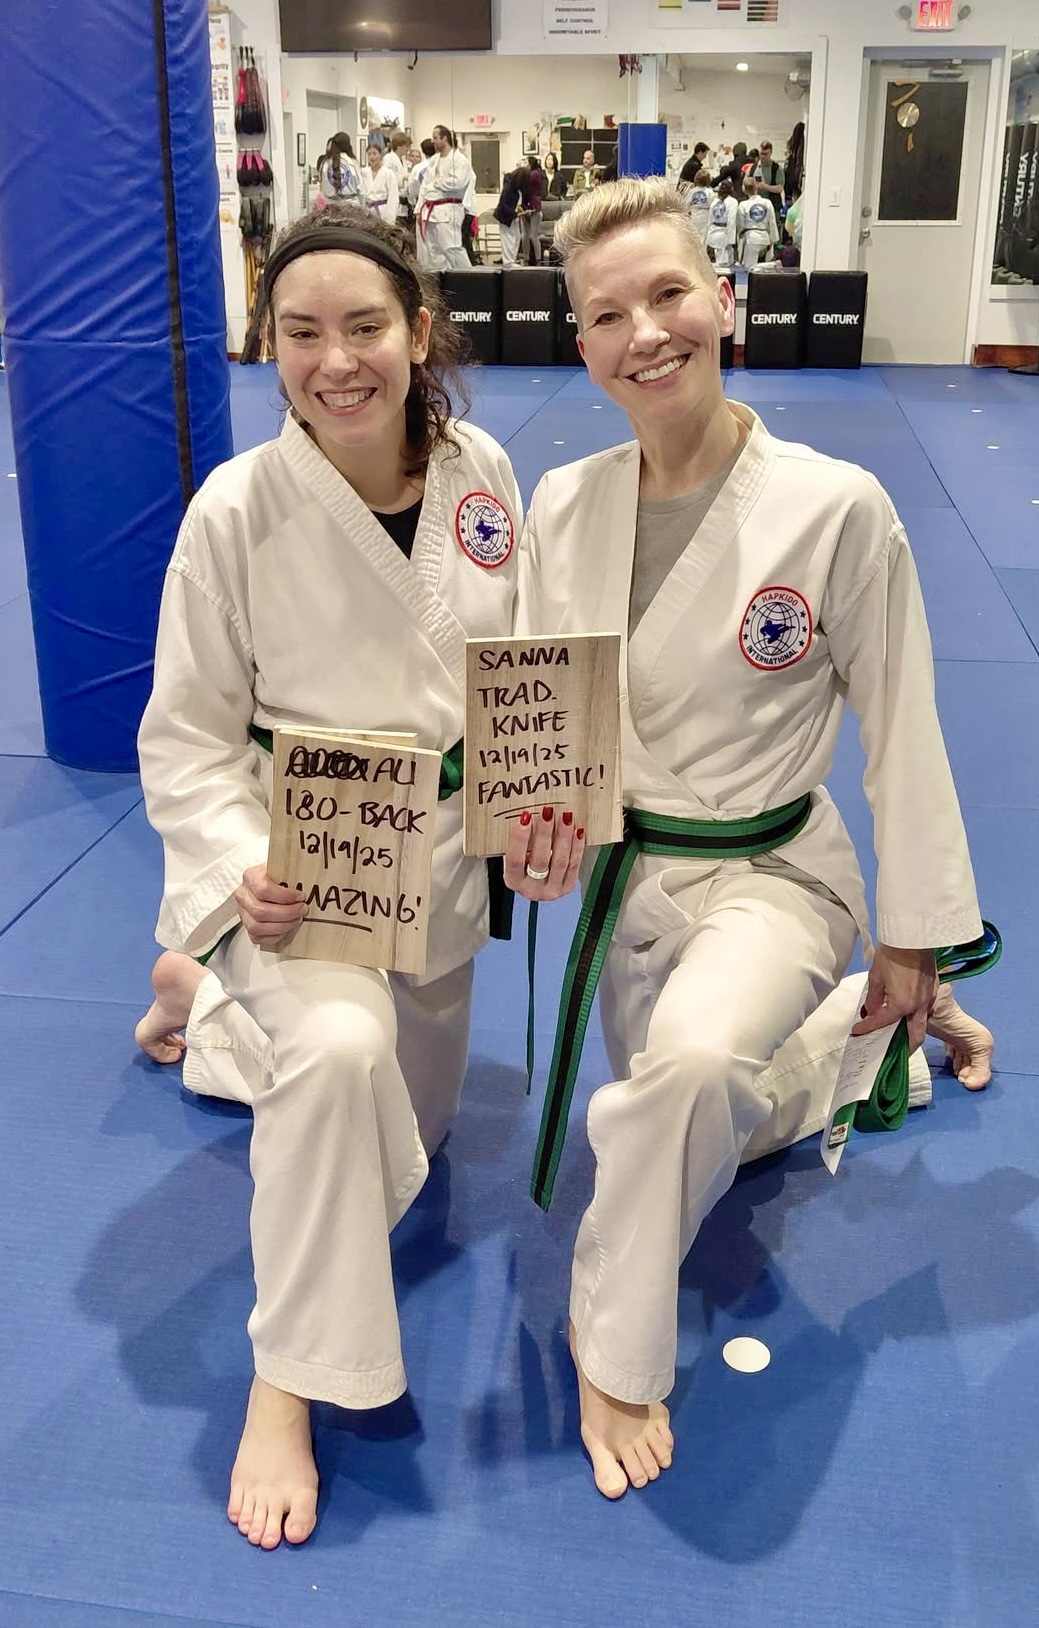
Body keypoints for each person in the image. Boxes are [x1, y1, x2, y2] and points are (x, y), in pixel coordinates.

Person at [507, 177, 991, 1500]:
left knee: (682, 1080)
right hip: (631, 880)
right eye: (606, 314)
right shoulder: (565, 505)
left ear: (724, 297)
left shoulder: (834, 507)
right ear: (581, 342)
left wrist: (913, 936)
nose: (645, 332)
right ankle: (856, 1035)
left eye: (669, 293)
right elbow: (545, 717)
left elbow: (903, 727)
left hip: (778, 866)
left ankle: (610, 1346)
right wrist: (532, 831)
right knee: (700, 1104)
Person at [135, 203, 523, 1548]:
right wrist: (238, 874)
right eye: (299, 333)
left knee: (394, 1130)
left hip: (437, 881)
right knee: (340, 1061)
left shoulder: (483, 472)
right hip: (298, 880)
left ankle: (190, 997)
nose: (333, 360)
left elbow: (519, 677)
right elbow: (186, 742)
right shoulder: (234, 512)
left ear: (418, 333)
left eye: (364, 326)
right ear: (269, 345)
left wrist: (541, 804)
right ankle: (288, 1381)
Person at [416, 125, 474, 273]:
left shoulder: (460, 159)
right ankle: (439, 284)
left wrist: (437, 182)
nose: (432, 141)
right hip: (430, 209)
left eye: (435, 138)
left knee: (451, 248)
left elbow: (457, 183)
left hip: (449, 209)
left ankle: (469, 278)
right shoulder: (434, 160)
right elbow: (425, 186)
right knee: (433, 251)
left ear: (445, 138)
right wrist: (418, 209)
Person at [737, 175, 779, 269]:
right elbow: (772, 222)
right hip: (765, 237)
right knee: (758, 269)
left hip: (751, 238)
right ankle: (771, 265)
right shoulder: (767, 202)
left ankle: (773, 265)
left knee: (750, 267)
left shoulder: (743, 205)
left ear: (744, 189)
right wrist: (774, 239)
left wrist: (740, 238)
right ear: (756, 188)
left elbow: (741, 226)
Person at [494, 161, 530, 267]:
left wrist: (521, 210)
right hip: (505, 217)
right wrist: (515, 214)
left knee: (516, 237)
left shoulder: (516, 188)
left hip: (512, 217)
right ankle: (508, 262)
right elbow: (503, 205)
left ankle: (511, 260)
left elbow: (518, 204)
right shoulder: (509, 188)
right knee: (508, 238)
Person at [318, 132, 363, 207]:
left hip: (331, 208)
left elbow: (322, 189)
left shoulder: (325, 164)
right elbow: (361, 188)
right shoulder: (352, 162)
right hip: (351, 208)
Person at [705, 179, 738, 270]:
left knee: (721, 263)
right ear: (731, 189)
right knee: (724, 266)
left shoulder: (715, 202)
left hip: (713, 233)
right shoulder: (732, 202)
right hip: (724, 235)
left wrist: (708, 237)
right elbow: (731, 221)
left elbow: (710, 220)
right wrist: (731, 240)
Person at [363, 142, 398, 224]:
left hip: (382, 211)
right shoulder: (364, 172)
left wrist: (390, 220)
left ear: (381, 155)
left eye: (374, 154)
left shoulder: (388, 173)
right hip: (367, 211)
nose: (372, 157)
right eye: (369, 154)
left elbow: (393, 197)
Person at [383, 131, 414, 224]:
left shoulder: (404, 161)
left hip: (404, 203)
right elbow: (386, 180)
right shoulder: (388, 158)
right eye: (406, 146)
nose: (408, 149)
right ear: (399, 145)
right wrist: (403, 177)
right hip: (394, 202)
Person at [522, 155, 544, 266]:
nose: (523, 163)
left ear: (530, 163)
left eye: (525, 161)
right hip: (526, 206)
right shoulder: (528, 173)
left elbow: (526, 180)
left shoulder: (535, 173)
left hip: (534, 207)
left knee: (533, 235)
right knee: (525, 235)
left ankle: (538, 259)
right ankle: (526, 257)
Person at [685, 168, 714, 248]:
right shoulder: (709, 192)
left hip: (694, 215)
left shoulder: (692, 191)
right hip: (705, 215)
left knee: (694, 237)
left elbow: (686, 204)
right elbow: (712, 205)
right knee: (704, 238)